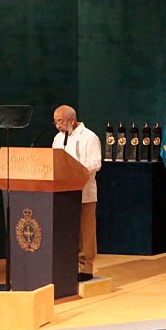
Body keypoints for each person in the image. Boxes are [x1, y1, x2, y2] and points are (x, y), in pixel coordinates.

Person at [53, 105, 102, 282]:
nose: (58, 125)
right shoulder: (58, 138)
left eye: (60, 121)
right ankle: (66, 265)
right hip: (62, 192)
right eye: (56, 122)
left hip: (84, 191)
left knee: (85, 230)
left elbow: (96, 163)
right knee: (66, 229)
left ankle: (85, 267)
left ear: (72, 120)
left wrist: (77, 172)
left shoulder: (89, 137)